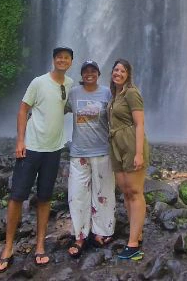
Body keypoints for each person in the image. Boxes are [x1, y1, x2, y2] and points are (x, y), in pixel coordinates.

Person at [0, 46, 75, 273]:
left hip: (54, 149)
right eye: (59, 57)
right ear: (54, 59)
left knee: (45, 197)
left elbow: (69, 108)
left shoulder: (69, 85)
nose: (62, 60)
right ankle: (7, 248)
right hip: (31, 147)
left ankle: (40, 245)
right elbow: (22, 110)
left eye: (66, 58)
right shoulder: (38, 82)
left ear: (71, 62)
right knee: (17, 196)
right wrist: (20, 141)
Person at [65, 59, 116, 257]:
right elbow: (56, 109)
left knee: (104, 193)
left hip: (103, 151)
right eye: (86, 71)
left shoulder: (107, 93)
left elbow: (119, 114)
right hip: (78, 153)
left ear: (98, 73)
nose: (89, 74)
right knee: (77, 195)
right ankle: (79, 235)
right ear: (81, 75)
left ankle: (102, 232)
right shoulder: (74, 93)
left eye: (93, 70)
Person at [108, 58, 150, 261]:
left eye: (123, 71)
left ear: (128, 75)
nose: (119, 73)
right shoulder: (114, 95)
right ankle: (137, 233)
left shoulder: (132, 93)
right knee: (125, 191)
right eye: (116, 70)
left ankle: (133, 245)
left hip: (132, 144)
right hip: (116, 146)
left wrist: (139, 153)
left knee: (135, 191)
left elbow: (140, 124)